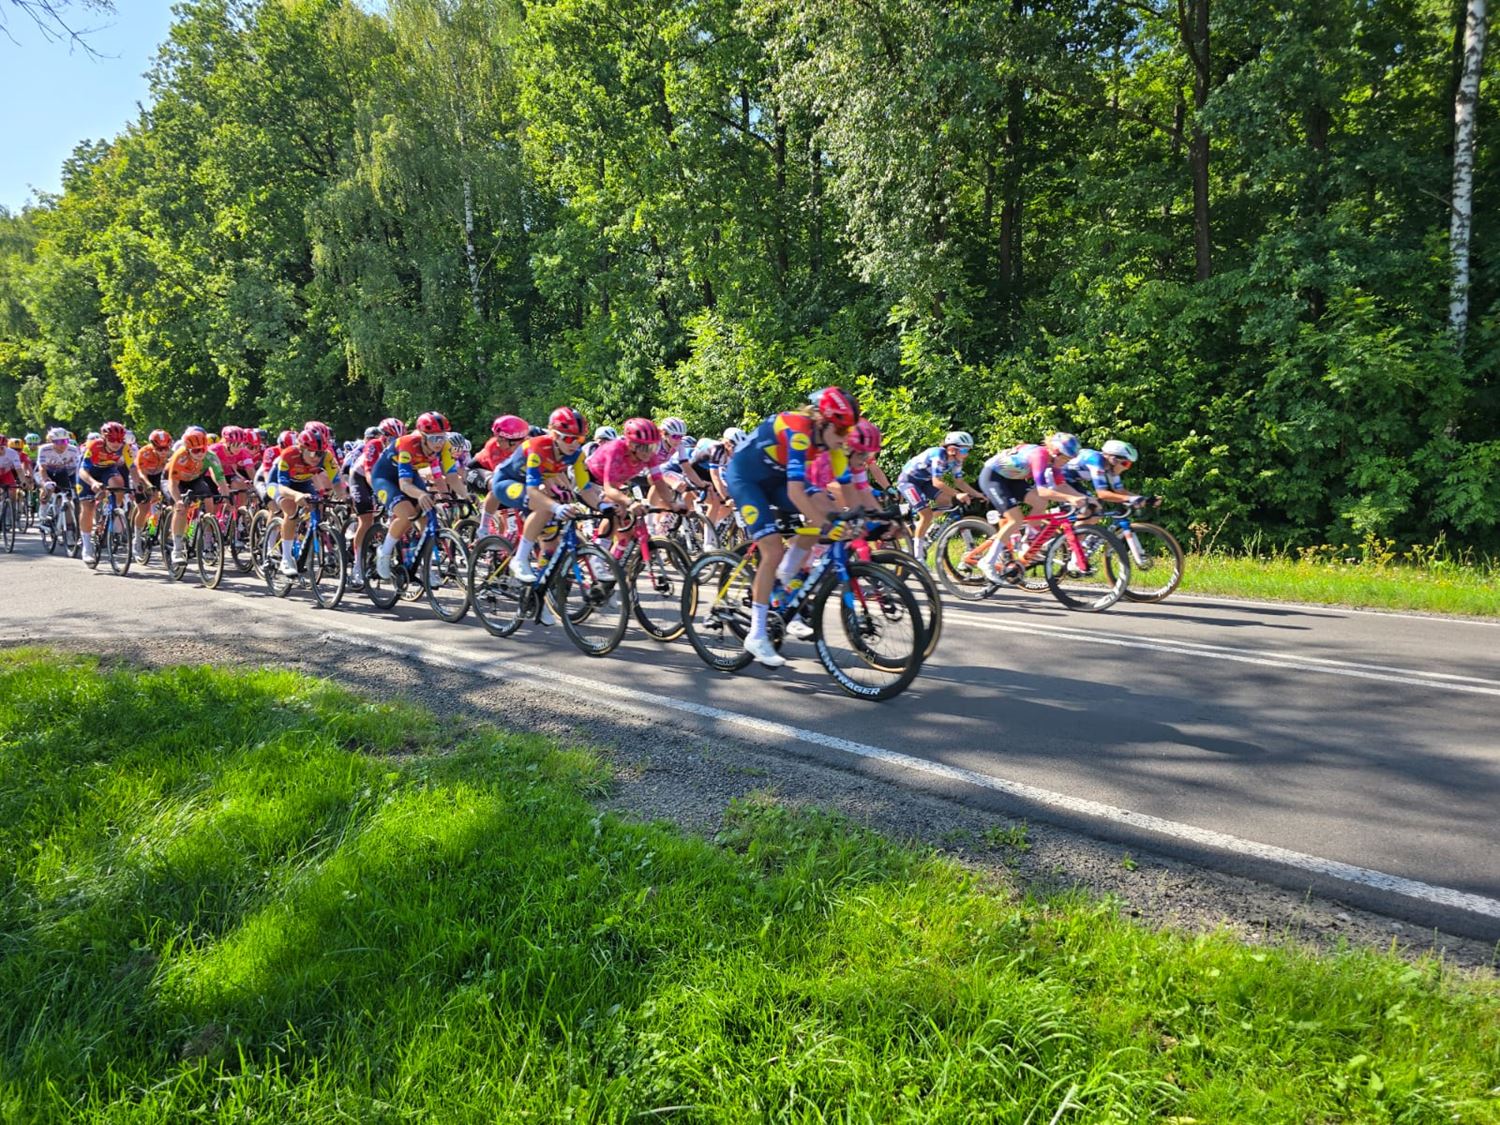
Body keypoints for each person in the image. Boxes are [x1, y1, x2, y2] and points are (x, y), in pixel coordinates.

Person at [722, 386, 858, 667]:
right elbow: (796, 493)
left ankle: (785, 579)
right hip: (746, 479)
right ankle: (757, 635)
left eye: (849, 430)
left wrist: (865, 519)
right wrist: (827, 526)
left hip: (776, 478)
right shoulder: (799, 431)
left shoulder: (830, 443)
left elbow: (849, 491)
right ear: (823, 421)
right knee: (772, 549)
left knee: (825, 501)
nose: (845, 436)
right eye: (842, 429)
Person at [489, 406, 596, 583]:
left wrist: (603, 506)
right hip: (506, 482)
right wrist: (556, 507)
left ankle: (541, 588)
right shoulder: (537, 447)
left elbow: (585, 488)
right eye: (569, 438)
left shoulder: (577, 455)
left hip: (534, 486)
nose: (575, 444)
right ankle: (519, 560)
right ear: (554, 435)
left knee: (551, 541)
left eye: (579, 439)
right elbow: (532, 491)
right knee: (545, 508)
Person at [974, 432, 1092, 582]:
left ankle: (1028, 541)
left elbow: (1062, 485)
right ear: (1056, 452)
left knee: (1040, 502)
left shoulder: (1054, 461)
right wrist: (1071, 498)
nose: (1067, 462)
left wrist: (1086, 498)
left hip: (1013, 479)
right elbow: (1043, 490)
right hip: (993, 477)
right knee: (1015, 519)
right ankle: (987, 561)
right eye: (1066, 458)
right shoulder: (1040, 456)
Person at [369, 411, 471, 581]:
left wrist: (467, 496)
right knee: (407, 514)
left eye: (442, 437)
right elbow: (404, 484)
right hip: (385, 477)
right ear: (422, 436)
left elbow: (452, 477)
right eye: (434, 438)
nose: (439, 443)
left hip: (411, 474)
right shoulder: (408, 443)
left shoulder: (445, 446)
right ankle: (384, 552)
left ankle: (426, 569)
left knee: (426, 520)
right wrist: (421, 494)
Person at [897, 431, 985, 560]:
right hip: (908, 481)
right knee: (926, 515)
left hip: (925, 482)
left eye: (968, 450)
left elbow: (959, 482)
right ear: (952, 449)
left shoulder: (957, 461)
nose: (966, 454)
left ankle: (923, 527)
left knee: (947, 502)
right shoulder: (938, 455)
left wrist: (978, 494)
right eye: (964, 450)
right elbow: (937, 482)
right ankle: (918, 557)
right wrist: (957, 494)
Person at [269, 426, 342, 578]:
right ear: (302, 449)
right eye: (313, 453)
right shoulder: (289, 454)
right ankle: (286, 558)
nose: (317, 457)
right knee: (291, 510)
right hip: (279, 483)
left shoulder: (326, 456)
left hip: (303, 482)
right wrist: (296, 496)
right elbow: (282, 488)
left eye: (320, 453)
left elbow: (337, 481)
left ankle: (306, 537)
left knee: (317, 505)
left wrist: (345, 495)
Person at [163, 427, 229, 568]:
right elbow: (173, 484)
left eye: (203, 449)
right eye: (195, 451)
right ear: (188, 450)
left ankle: (207, 538)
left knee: (209, 497)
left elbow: (220, 478)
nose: (200, 453)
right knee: (181, 509)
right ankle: (177, 549)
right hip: (174, 481)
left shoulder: (210, 456)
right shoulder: (180, 456)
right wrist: (178, 501)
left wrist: (226, 496)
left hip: (194, 479)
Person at [77, 422, 134, 565]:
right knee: (88, 506)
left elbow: (133, 468)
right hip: (88, 473)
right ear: (104, 438)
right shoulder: (95, 445)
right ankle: (87, 546)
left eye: (119, 440)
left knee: (119, 485)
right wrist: (93, 483)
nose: (116, 443)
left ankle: (113, 512)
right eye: (112, 440)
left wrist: (140, 484)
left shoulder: (124, 447)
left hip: (107, 469)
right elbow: (83, 470)